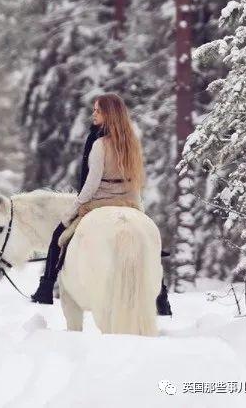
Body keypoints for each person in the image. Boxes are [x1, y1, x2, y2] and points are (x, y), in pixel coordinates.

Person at [30, 93, 172, 316]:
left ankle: (46, 288)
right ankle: (161, 298)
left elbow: (92, 182)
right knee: (151, 246)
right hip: (128, 201)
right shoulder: (131, 142)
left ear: (109, 114)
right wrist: (140, 211)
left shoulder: (99, 144)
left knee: (58, 236)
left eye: (97, 110)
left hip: (99, 202)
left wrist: (75, 206)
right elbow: (135, 181)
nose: (93, 114)